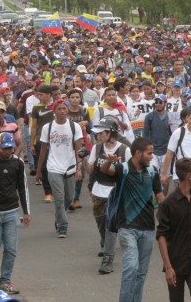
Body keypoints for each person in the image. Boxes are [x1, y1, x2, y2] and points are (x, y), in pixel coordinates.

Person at [100, 137, 165, 302]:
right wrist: (108, 162)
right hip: (127, 227)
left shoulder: (152, 172)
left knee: (141, 272)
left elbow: (161, 198)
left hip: (148, 228)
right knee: (131, 268)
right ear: (138, 153)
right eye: (149, 153)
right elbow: (105, 170)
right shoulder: (123, 169)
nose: (152, 156)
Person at [156, 158, 191, 302]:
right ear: (189, 176)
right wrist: (168, 267)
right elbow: (161, 236)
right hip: (175, 263)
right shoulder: (167, 204)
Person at [0, 133, 30, 295]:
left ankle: (5, 281)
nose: (8, 151)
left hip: (12, 211)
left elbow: (22, 188)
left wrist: (26, 211)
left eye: (10, 148)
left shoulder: (18, 163)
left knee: (11, 249)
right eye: (5, 148)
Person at [86, 116, 132, 274]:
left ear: (112, 132)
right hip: (98, 189)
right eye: (98, 133)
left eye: (102, 132)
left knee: (111, 224)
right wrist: (85, 160)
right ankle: (105, 242)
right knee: (100, 221)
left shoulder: (125, 150)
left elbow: (131, 172)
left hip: (116, 191)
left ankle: (108, 258)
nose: (99, 135)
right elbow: (90, 169)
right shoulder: (97, 147)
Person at [36, 99, 84, 238]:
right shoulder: (47, 127)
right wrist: (39, 170)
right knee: (59, 198)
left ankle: (59, 217)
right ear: (54, 111)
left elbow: (78, 150)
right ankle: (62, 227)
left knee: (69, 198)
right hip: (53, 167)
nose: (62, 111)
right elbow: (43, 150)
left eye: (64, 108)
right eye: (59, 109)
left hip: (70, 168)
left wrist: (79, 168)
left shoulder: (75, 127)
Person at [143, 94, 172, 177]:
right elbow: (145, 135)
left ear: (165, 103)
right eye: (156, 102)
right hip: (153, 151)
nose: (158, 104)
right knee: (152, 175)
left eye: (160, 102)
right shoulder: (149, 117)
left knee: (165, 176)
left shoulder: (170, 116)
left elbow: (174, 134)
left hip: (167, 151)